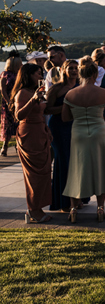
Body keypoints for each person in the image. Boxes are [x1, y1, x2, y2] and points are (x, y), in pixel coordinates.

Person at [62, 57, 105, 223]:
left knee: (76, 170)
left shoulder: (71, 94)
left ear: (80, 74)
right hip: (99, 133)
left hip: (78, 134)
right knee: (101, 168)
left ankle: (72, 209)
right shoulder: (103, 93)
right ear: (94, 74)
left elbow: (65, 117)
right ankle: (100, 208)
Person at [11, 63, 52, 223]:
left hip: (40, 131)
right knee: (34, 174)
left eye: (42, 73)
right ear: (28, 75)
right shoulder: (22, 93)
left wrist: (46, 129)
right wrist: (33, 100)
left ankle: (38, 207)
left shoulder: (37, 91)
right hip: (29, 134)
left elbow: (41, 112)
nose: (41, 77)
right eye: (38, 74)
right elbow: (19, 115)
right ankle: (33, 210)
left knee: (44, 172)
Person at [44, 60, 79, 212]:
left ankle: (77, 198)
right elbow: (47, 110)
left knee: (76, 163)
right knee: (63, 162)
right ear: (63, 70)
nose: (73, 71)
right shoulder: (56, 89)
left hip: (76, 127)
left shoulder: (81, 87)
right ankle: (63, 201)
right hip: (59, 128)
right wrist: (65, 107)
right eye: (70, 68)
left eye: (76, 68)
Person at [1, 56, 22, 156]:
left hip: (19, 101)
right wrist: (8, 102)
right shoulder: (5, 75)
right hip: (8, 102)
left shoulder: (20, 75)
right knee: (7, 124)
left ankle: (19, 146)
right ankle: (5, 146)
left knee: (18, 124)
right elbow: (2, 89)